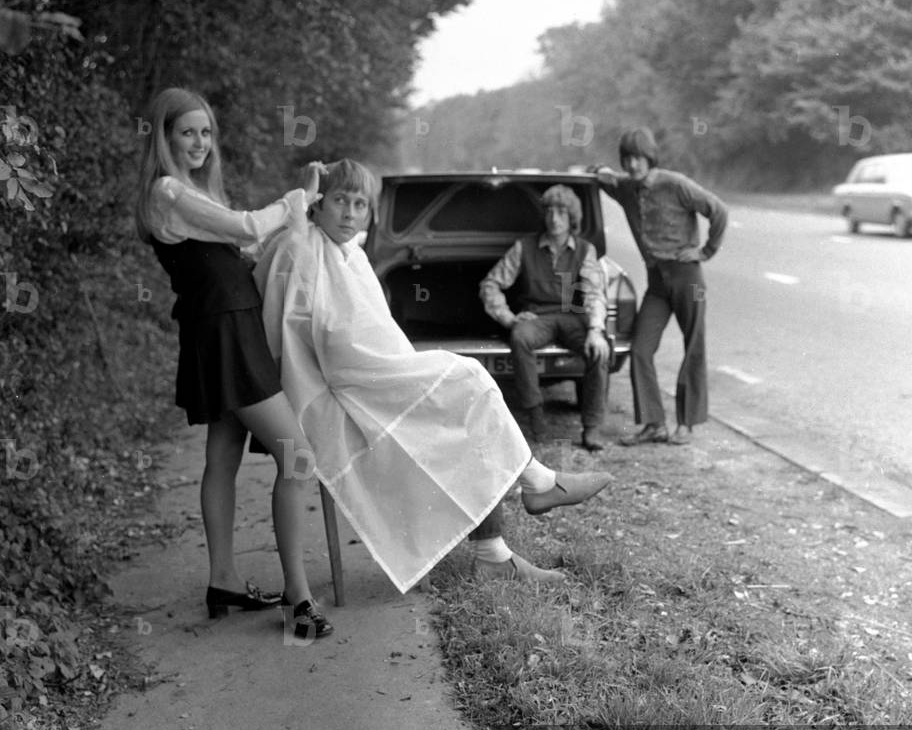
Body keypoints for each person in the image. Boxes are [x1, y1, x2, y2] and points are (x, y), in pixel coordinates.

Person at [253, 160, 614, 589]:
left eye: (360, 204)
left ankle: (498, 544)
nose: (350, 213)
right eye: (339, 201)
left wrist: (402, 365)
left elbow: (368, 330)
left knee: (467, 399)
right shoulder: (305, 250)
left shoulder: (348, 250)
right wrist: (404, 368)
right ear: (317, 202)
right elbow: (327, 343)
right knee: (469, 381)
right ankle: (533, 488)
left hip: (369, 374)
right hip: (339, 389)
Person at [134, 86, 333, 640]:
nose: (199, 142)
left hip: (227, 325)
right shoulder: (168, 191)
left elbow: (247, 250)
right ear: (165, 137)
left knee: (222, 455)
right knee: (298, 458)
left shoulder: (192, 193)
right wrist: (298, 197)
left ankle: (224, 578)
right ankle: (299, 597)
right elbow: (249, 227)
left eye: (205, 132)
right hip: (223, 331)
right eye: (187, 132)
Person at [590, 127, 727, 446]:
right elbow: (603, 179)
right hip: (657, 283)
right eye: (627, 159)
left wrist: (706, 251)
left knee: (694, 344)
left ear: (650, 157)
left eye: (638, 158)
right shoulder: (626, 188)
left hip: (689, 278)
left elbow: (718, 210)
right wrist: (599, 172)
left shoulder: (675, 184)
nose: (633, 165)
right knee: (640, 349)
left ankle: (687, 423)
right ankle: (654, 424)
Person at [479, 184, 610, 451]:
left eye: (561, 212)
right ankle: (536, 416)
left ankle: (592, 427)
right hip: (538, 317)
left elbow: (594, 293)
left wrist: (596, 330)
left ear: (571, 217)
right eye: (549, 211)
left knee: (600, 348)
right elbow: (490, 284)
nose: (554, 218)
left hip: (574, 317)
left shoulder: (585, 250)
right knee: (520, 337)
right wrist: (510, 318)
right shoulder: (524, 247)